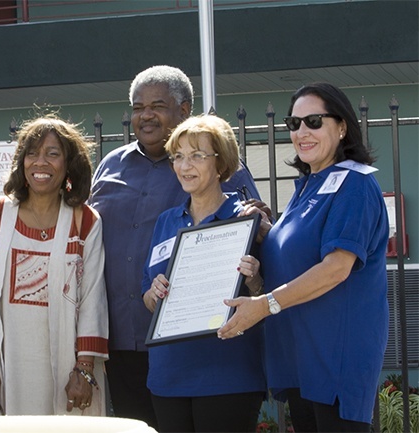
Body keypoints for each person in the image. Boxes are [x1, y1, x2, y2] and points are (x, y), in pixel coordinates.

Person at [88, 64, 261, 426]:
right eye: (138, 107)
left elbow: (252, 235)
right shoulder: (109, 166)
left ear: (184, 110)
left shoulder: (226, 170)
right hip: (122, 337)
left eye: (157, 105)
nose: (146, 115)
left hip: (204, 344)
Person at [218, 82, 389, 432]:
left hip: (335, 362)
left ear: (342, 127)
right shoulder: (308, 186)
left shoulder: (354, 184)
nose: (302, 132)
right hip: (302, 359)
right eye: (293, 124)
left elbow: (336, 269)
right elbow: (294, 255)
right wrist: (264, 232)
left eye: (314, 121)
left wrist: (263, 305)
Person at [0, 116, 108, 416]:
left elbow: (93, 298)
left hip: (70, 370)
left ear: (69, 164)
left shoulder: (86, 221)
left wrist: (84, 370)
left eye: (53, 154)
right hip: (7, 366)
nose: (40, 163)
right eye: (32, 153)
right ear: (21, 162)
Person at [141, 114, 266, 432]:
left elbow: (268, 295)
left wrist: (253, 279)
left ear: (221, 163)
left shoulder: (246, 220)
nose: (185, 166)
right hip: (169, 377)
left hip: (228, 376)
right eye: (178, 157)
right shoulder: (166, 221)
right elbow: (146, 297)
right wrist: (155, 293)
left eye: (197, 156)